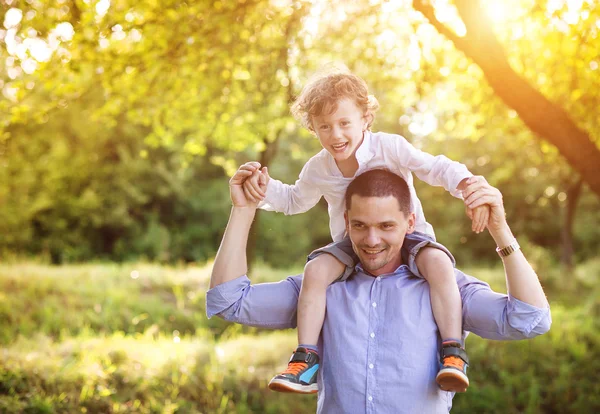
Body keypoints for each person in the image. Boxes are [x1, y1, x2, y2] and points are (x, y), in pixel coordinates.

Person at [207, 168, 550, 413]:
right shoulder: (321, 286)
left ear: (410, 222)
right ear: (346, 221)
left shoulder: (444, 285)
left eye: (386, 226)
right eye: (360, 226)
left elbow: (529, 320)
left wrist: (500, 231)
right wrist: (243, 209)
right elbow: (229, 302)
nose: (371, 241)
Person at [241, 69, 490, 393]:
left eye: (344, 123)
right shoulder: (319, 167)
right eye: (324, 127)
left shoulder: (389, 147)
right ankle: (305, 360)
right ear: (312, 127)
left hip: (409, 236)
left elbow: (436, 167)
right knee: (315, 270)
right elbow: (293, 200)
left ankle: (453, 351)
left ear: (365, 118)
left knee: (440, 265)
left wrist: (469, 186)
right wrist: (264, 187)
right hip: (352, 244)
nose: (335, 134)